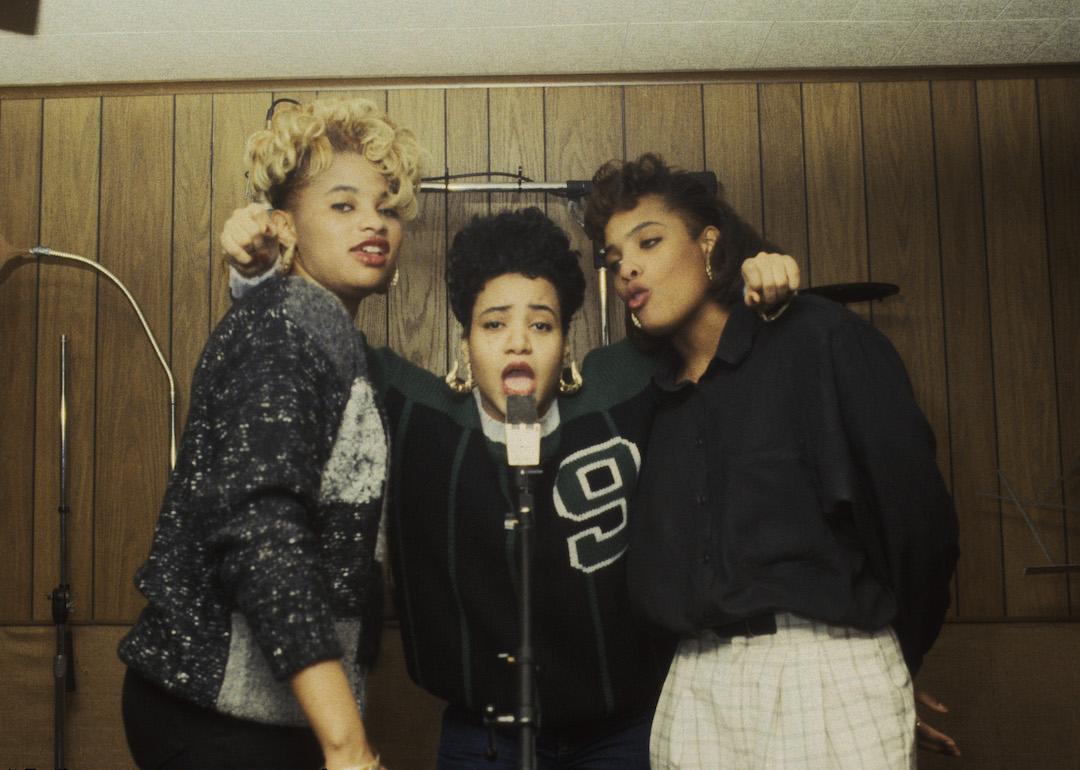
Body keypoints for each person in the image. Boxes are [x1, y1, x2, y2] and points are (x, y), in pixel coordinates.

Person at [224, 196, 799, 767]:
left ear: (567, 344)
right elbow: (314, 341)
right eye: (494, 323)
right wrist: (256, 276)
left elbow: (696, 319)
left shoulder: (619, 390)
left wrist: (753, 278)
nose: (518, 340)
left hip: (621, 734)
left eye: (541, 324)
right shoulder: (416, 414)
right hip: (484, 741)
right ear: (466, 346)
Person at [583, 153, 961, 769]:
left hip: (828, 667)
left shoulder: (818, 338)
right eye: (612, 256)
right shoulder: (651, 397)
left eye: (649, 241)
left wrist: (891, 656)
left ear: (711, 243)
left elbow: (918, 524)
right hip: (694, 686)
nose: (626, 266)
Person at [118, 96, 423, 770]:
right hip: (219, 719)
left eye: (388, 207)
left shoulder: (310, 330)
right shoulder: (288, 332)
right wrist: (347, 743)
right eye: (343, 205)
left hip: (252, 712)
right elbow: (262, 534)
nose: (374, 221)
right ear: (285, 226)